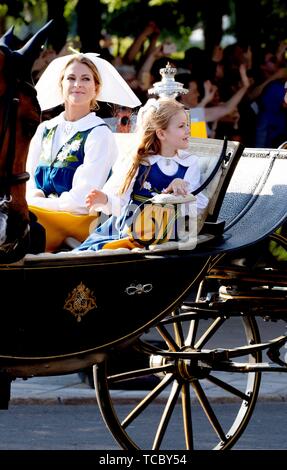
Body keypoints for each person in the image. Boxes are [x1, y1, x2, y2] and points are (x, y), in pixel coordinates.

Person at [26, 52, 141, 252]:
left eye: (85, 79)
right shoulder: (45, 128)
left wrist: (34, 203)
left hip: (76, 222)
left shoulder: (99, 133)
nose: (77, 84)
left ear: (96, 88)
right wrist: (31, 196)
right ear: (61, 85)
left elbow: (81, 201)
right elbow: (26, 177)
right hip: (36, 211)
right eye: (71, 78)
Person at [75, 98, 208, 253]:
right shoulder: (142, 161)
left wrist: (178, 193)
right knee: (93, 251)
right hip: (127, 228)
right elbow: (122, 202)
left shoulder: (188, 163)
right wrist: (105, 200)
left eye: (187, 125)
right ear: (161, 133)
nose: (188, 130)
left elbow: (199, 205)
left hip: (159, 231)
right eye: (181, 126)